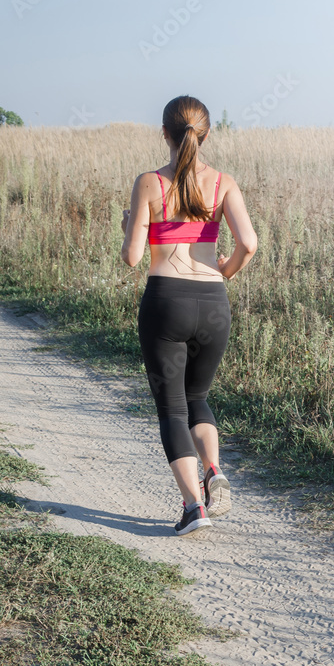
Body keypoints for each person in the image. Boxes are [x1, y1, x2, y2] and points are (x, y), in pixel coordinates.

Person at [120, 96, 257, 536]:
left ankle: (194, 507)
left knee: (172, 412)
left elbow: (132, 257)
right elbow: (249, 244)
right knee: (197, 397)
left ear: (165, 133)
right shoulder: (224, 183)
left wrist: (129, 228)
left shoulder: (150, 183)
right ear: (206, 133)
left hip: (166, 301)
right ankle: (213, 469)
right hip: (213, 302)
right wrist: (225, 272)